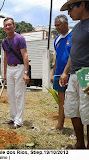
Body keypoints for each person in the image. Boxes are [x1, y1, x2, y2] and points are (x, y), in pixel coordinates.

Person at [60, 0, 89, 149]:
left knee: (88, 112)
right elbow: (73, 52)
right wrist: (65, 72)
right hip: (74, 74)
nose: (69, 13)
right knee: (72, 109)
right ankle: (79, 144)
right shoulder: (76, 28)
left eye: (70, 8)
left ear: (82, 4)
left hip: (87, 73)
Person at [2, 17, 30, 129]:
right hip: (9, 69)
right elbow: (5, 58)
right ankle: (13, 117)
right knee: (11, 94)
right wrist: (4, 73)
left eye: (10, 25)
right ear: (4, 28)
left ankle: (19, 121)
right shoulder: (4, 42)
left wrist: (26, 72)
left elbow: (25, 55)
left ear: (14, 26)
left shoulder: (20, 38)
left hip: (19, 68)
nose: (8, 27)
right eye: (6, 25)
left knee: (19, 94)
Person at [50, 15, 72, 131]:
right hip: (59, 74)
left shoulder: (73, 36)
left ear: (66, 24)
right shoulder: (57, 39)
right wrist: (53, 73)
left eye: (58, 25)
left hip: (72, 73)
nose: (56, 27)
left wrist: (66, 72)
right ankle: (60, 125)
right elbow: (56, 58)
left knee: (75, 101)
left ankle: (77, 129)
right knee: (61, 100)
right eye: (55, 25)